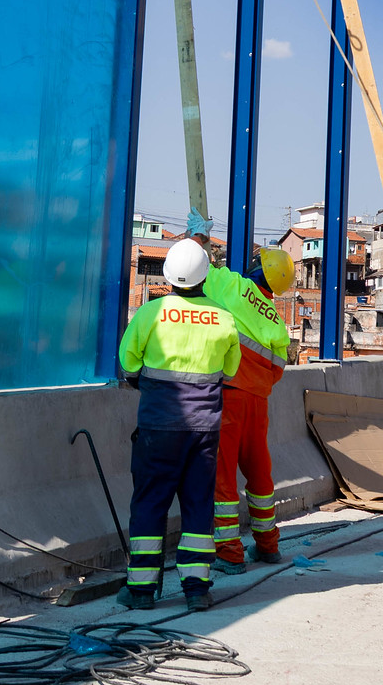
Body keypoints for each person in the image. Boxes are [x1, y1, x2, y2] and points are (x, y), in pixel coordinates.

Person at [116, 239, 241, 610]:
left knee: (150, 502)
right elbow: (230, 370)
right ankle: (196, 590)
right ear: (205, 276)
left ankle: (140, 591)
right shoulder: (223, 317)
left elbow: (129, 363)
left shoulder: (150, 314)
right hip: (204, 430)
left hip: (158, 427)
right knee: (198, 504)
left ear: (168, 275)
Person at [196, 226, 297, 574]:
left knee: (222, 475)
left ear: (258, 270)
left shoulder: (234, 287)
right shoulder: (276, 320)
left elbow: (196, 268)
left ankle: (229, 553)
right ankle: (268, 545)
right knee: (259, 471)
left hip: (228, 397)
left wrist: (198, 237)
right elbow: (278, 367)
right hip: (258, 401)